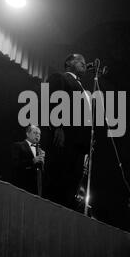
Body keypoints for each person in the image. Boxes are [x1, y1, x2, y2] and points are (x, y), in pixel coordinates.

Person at [42, 53, 91, 209]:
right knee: (56, 185)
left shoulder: (84, 89)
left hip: (79, 147)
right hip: (63, 141)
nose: (84, 63)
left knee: (70, 191)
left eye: (84, 62)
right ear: (69, 63)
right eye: (80, 61)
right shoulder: (60, 78)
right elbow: (50, 100)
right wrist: (57, 126)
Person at [12, 125, 45, 195]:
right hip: (22, 187)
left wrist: (42, 163)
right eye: (35, 133)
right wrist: (32, 161)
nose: (38, 135)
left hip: (36, 190)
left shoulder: (40, 150)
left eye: (39, 134)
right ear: (27, 134)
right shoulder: (18, 145)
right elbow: (15, 165)